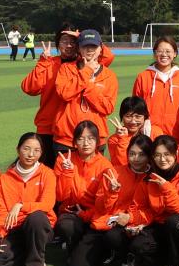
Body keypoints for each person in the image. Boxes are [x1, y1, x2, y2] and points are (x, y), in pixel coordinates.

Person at [21, 25, 115, 165]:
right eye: (65, 41)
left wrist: (83, 35)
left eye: (73, 42)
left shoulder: (85, 63)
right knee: (52, 170)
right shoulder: (51, 63)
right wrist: (42, 63)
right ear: (58, 44)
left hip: (73, 129)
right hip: (50, 127)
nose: (69, 45)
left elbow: (107, 55)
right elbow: (29, 88)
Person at [64, 134, 151, 266]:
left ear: (149, 156)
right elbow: (100, 207)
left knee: (115, 237)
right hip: (104, 223)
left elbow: (152, 209)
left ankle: (125, 254)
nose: (136, 158)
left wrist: (131, 218)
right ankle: (107, 252)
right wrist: (112, 192)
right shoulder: (113, 172)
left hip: (133, 226)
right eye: (132, 153)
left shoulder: (152, 177)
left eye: (141, 155)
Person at [127, 135, 179, 266]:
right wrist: (136, 223)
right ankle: (162, 258)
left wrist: (166, 187)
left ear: (175, 154)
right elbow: (139, 207)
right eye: (157, 155)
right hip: (160, 225)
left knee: (174, 221)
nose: (162, 159)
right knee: (137, 245)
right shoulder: (148, 178)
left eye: (167, 154)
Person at [0, 133, 56, 266]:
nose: (31, 154)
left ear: (41, 153)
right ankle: (26, 254)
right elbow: (0, 213)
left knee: (37, 217)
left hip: (39, 228)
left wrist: (21, 205)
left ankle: (36, 263)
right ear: (18, 150)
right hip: (14, 229)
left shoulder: (48, 174)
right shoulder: (4, 179)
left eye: (36, 150)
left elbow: (47, 204)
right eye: (26, 149)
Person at [53, 28, 118, 155]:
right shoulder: (66, 68)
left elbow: (107, 108)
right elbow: (64, 94)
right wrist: (87, 72)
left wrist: (89, 87)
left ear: (100, 48)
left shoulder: (109, 75)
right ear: (79, 48)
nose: (89, 50)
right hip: (67, 138)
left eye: (93, 46)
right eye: (85, 46)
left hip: (95, 138)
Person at [53, 120, 111, 258]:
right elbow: (60, 197)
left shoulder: (105, 165)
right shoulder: (63, 160)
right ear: (74, 142)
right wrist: (67, 172)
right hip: (71, 211)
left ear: (97, 142)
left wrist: (86, 214)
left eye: (90, 139)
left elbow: (104, 203)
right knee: (66, 226)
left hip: (94, 213)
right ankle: (73, 243)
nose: (86, 143)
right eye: (80, 139)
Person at [132, 37, 179, 141]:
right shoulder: (143, 77)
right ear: (155, 53)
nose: (164, 54)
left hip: (175, 134)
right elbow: (136, 107)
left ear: (175, 54)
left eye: (168, 51)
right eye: (160, 51)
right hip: (149, 134)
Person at [106, 96, 155, 166]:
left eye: (138, 117)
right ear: (122, 117)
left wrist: (147, 136)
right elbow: (122, 163)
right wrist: (122, 139)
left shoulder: (154, 132)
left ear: (145, 117)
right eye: (128, 116)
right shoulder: (114, 139)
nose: (133, 121)